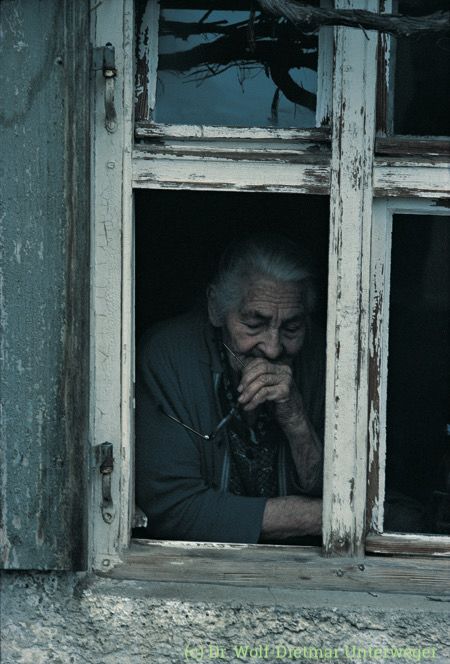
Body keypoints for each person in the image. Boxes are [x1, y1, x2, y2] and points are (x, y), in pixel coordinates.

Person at [135, 234, 325, 543]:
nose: (273, 348)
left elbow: (350, 490)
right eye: (254, 325)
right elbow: (173, 508)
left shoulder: (324, 360)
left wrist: (296, 420)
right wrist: (316, 517)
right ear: (216, 308)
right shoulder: (169, 357)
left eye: (292, 328)